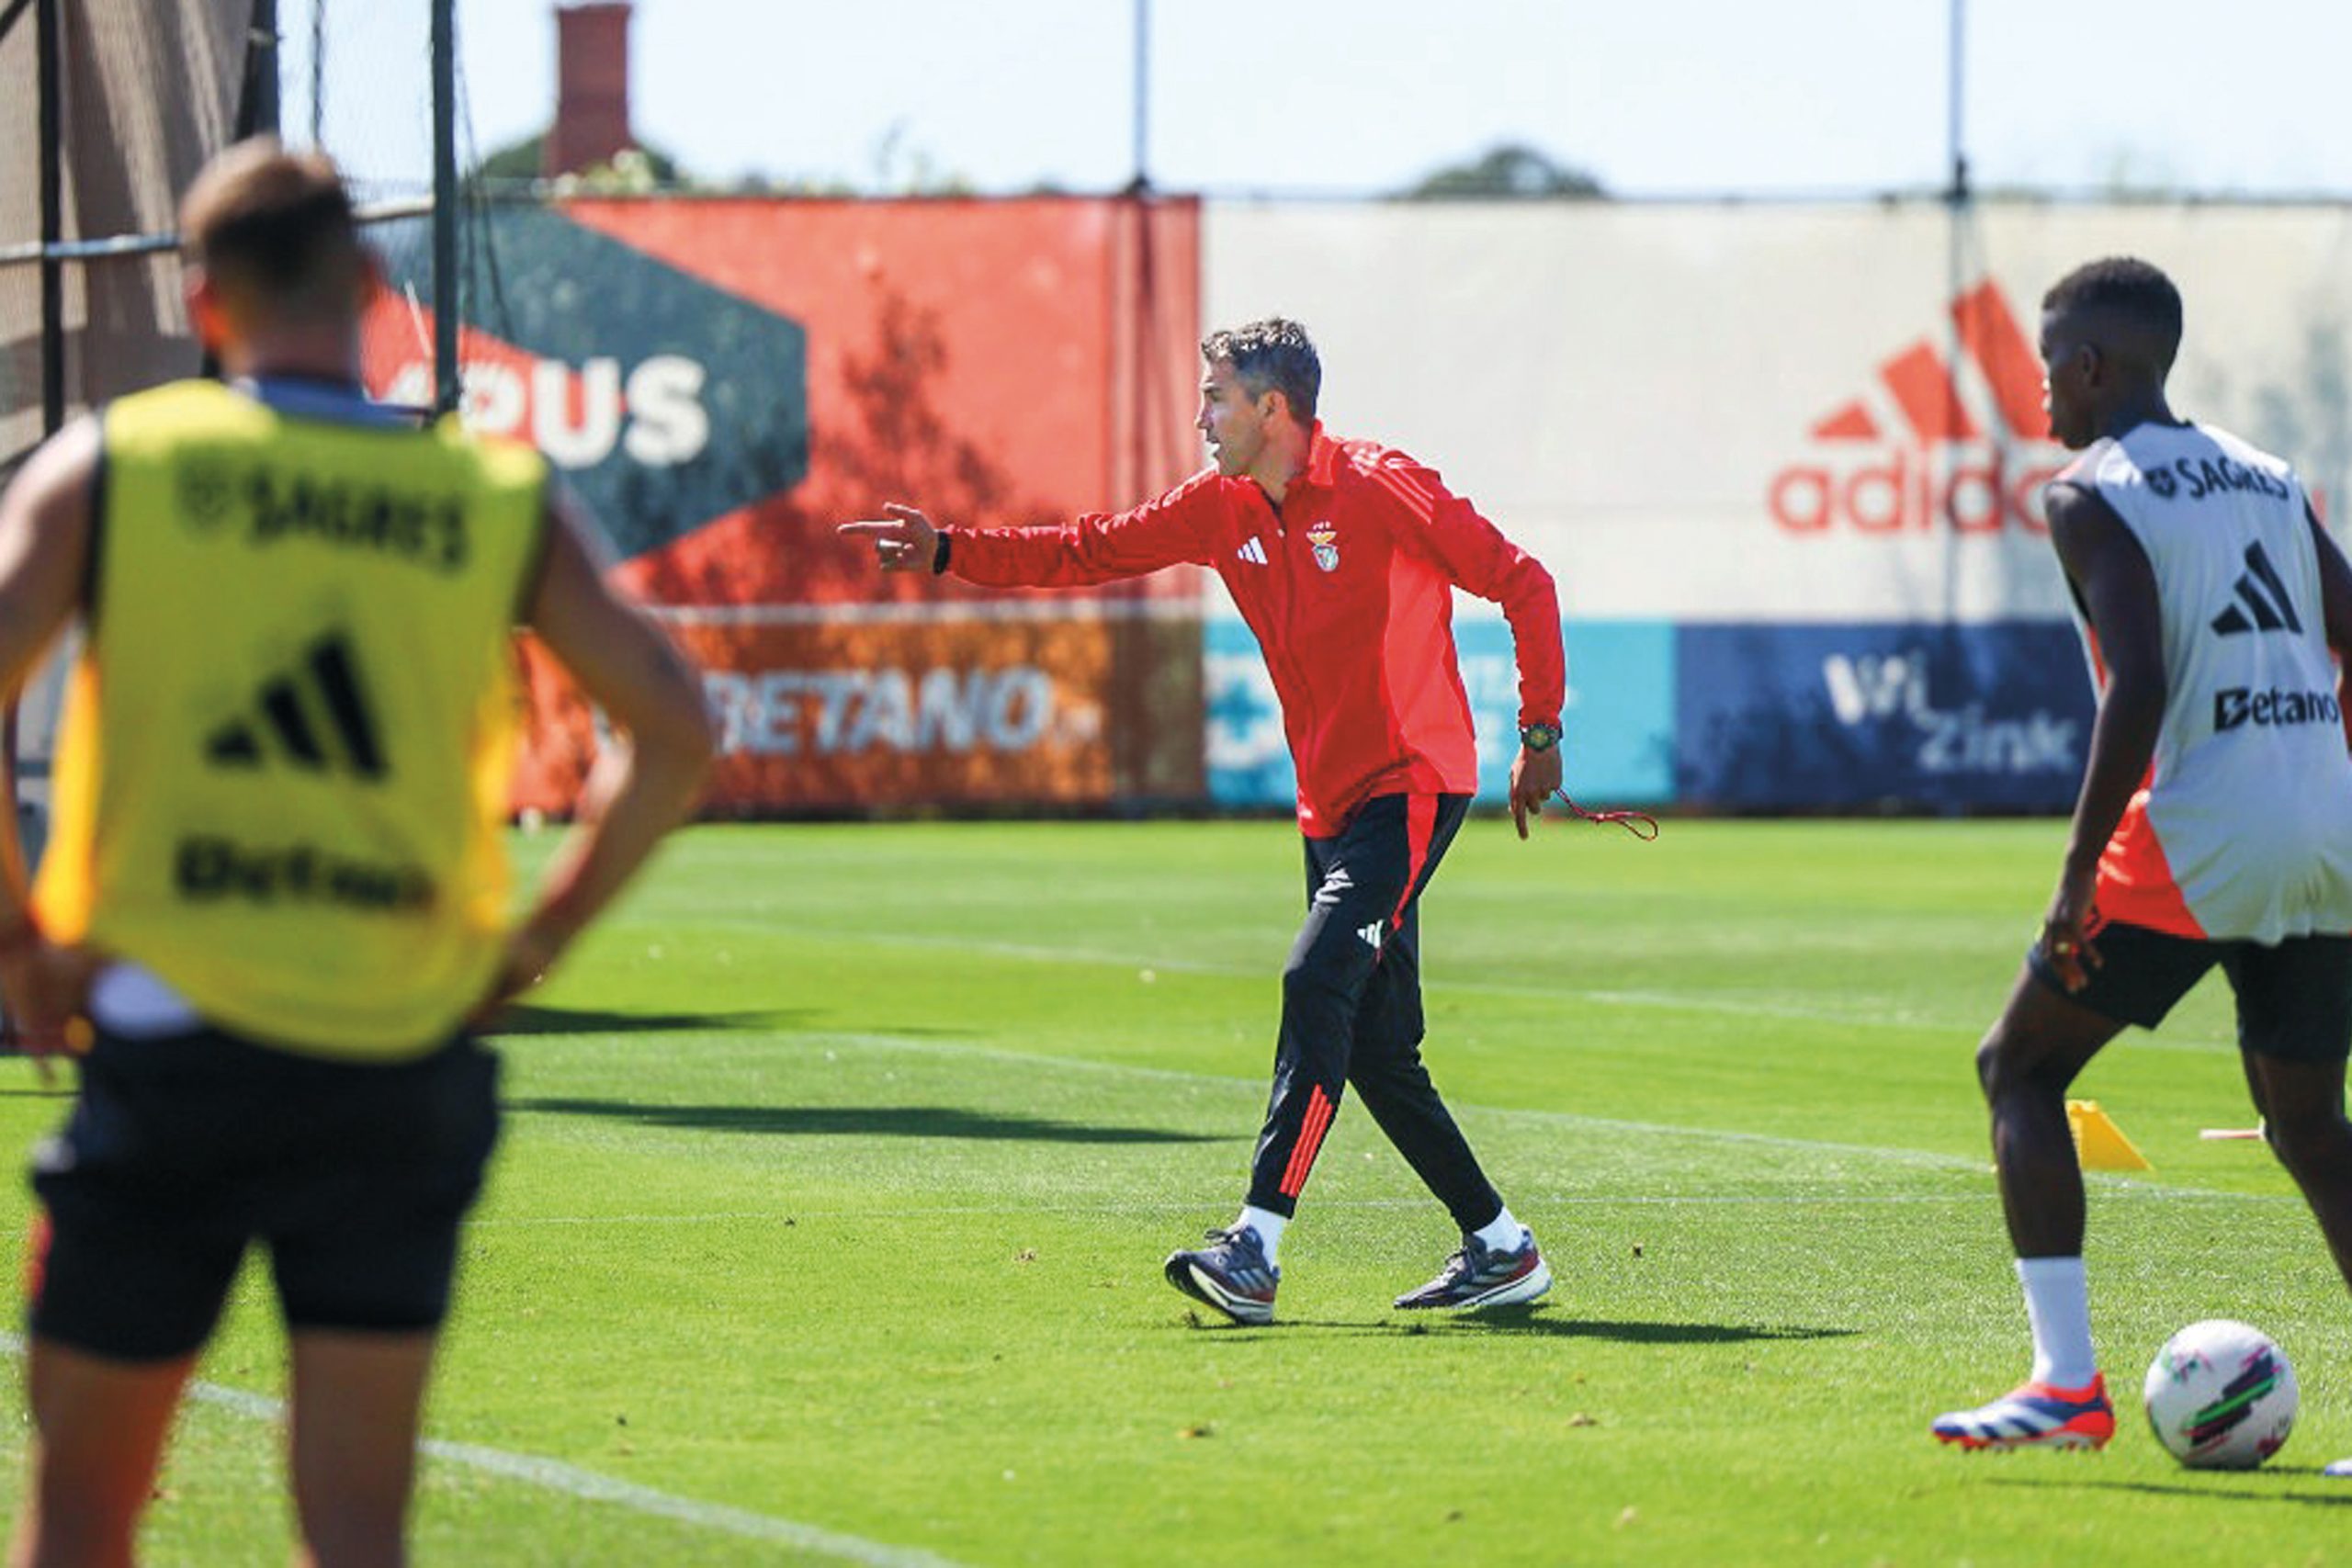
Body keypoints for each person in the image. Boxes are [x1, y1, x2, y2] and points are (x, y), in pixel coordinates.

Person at [0, 139, 714, 1564]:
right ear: (373, 284)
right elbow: (679, 726)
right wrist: (535, 940)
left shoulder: (125, 461)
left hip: (167, 1042)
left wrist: (19, 940)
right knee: (356, 1528)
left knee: (78, 1515)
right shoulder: (486, 493)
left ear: (206, 303)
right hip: (394, 1060)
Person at [841, 317, 1566, 1325]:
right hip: (1329, 803)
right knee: (1373, 1046)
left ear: (1273, 409)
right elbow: (1088, 550)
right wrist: (952, 551)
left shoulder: (1381, 482)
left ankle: (1255, 1248)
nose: (1199, 417)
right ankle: (1499, 1245)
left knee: (1315, 978)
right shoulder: (1222, 508)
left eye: (1215, 397)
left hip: (1412, 784)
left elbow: (1522, 581)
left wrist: (1539, 733)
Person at [1930, 257, 2352, 1461]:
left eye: (2050, 361)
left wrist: (2073, 876)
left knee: (2016, 1065)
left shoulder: (2092, 491)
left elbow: (2142, 683)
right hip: (2325, 827)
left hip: (2196, 828)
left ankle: (2066, 1384)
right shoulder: (2267, 472)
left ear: (2095, 366)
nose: (2040, 387)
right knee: (2312, 1125)